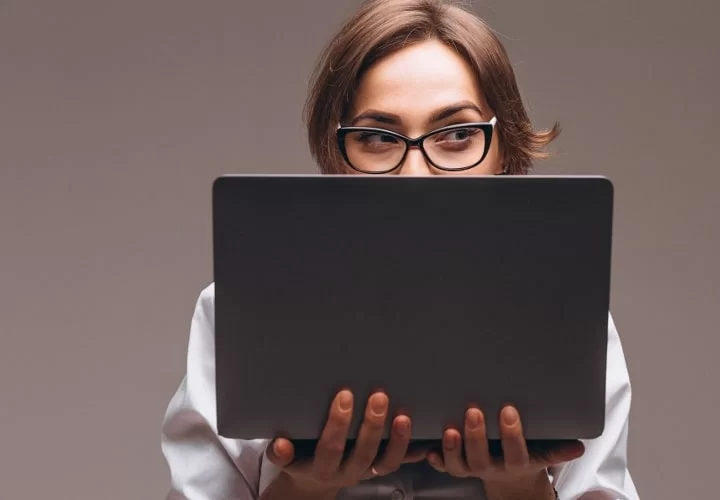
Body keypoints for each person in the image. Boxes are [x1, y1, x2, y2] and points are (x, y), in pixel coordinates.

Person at [161, 0, 639, 498]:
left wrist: (519, 483)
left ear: (504, 151)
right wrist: (304, 487)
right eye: (376, 137)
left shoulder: (570, 322)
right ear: (336, 155)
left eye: (457, 134)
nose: (415, 173)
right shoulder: (237, 314)